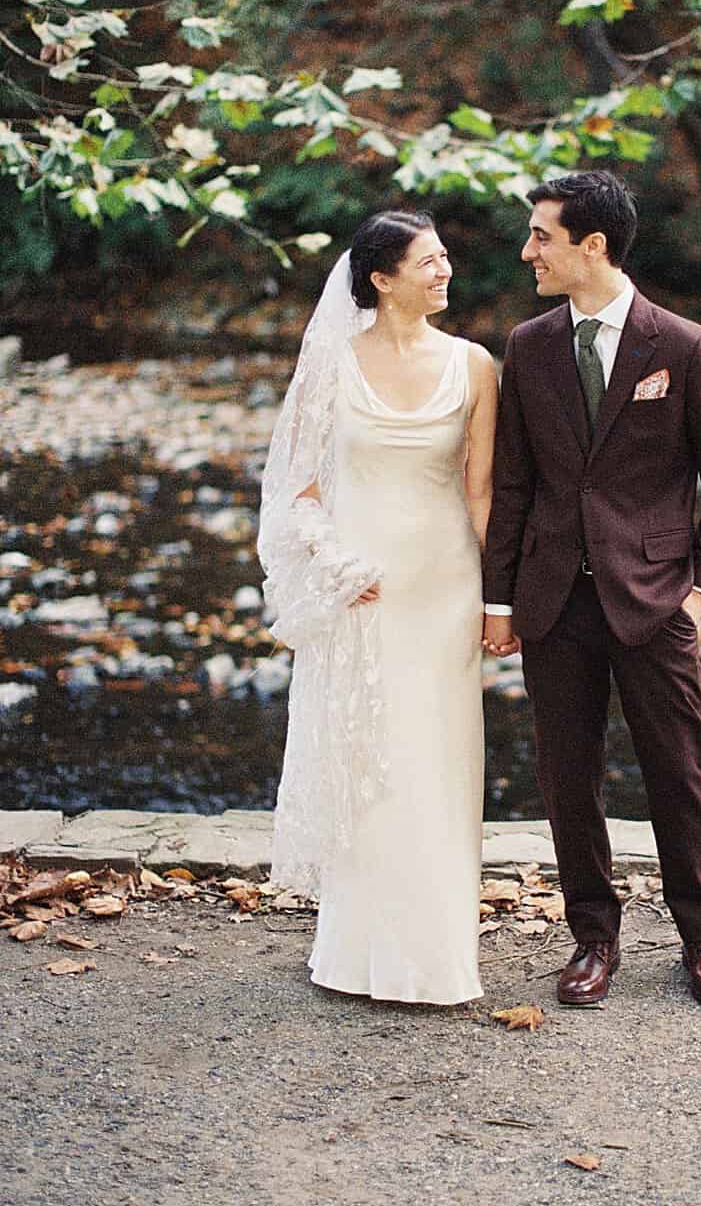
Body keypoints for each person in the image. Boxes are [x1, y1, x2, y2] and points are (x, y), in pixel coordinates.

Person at [479, 171, 701, 1008]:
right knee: (568, 775)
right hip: (554, 599)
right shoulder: (527, 347)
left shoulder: (684, 345)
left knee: (679, 769)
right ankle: (593, 937)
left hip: (656, 597)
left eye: (541, 237)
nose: (528, 251)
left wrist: (700, 590)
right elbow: (515, 484)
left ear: (591, 246)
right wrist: (500, 601)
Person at [258, 210, 498, 1005]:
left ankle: (436, 957)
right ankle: (357, 951)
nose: (445, 270)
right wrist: (334, 563)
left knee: (438, 762)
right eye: (428, 260)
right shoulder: (331, 365)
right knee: (369, 757)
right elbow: (297, 490)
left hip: (444, 589)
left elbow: (482, 491)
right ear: (382, 278)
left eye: (445, 255)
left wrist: (503, 598)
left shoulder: (476, 366)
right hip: (362, 589)